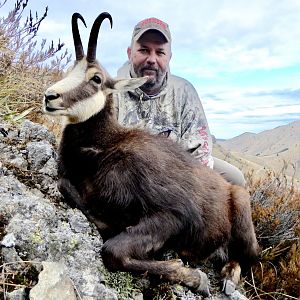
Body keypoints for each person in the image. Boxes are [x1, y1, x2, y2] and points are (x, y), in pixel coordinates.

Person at [114, 17, 246, 187]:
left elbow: (199, 154)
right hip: (129, 177)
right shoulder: (112, 92)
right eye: (144, 50)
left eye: (160, 52)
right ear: (129, 53)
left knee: (235, 180)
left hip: (179, 173)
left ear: (169, 57)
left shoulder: (184, 91)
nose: (152, 59)